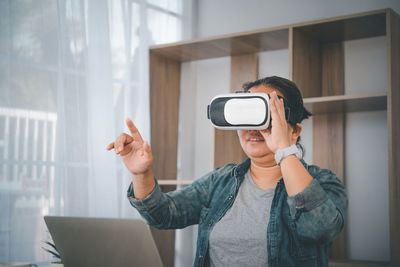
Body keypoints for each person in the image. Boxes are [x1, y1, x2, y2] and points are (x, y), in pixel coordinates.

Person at [107, 76, 348, 267]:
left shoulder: (323, 182)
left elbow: (320, 229)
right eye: (249, 115)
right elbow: (163, 215)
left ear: (295, 130)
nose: (255, 128)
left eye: (267, 116)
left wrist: (284, 149)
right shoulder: (219, 181)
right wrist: (140, 174)